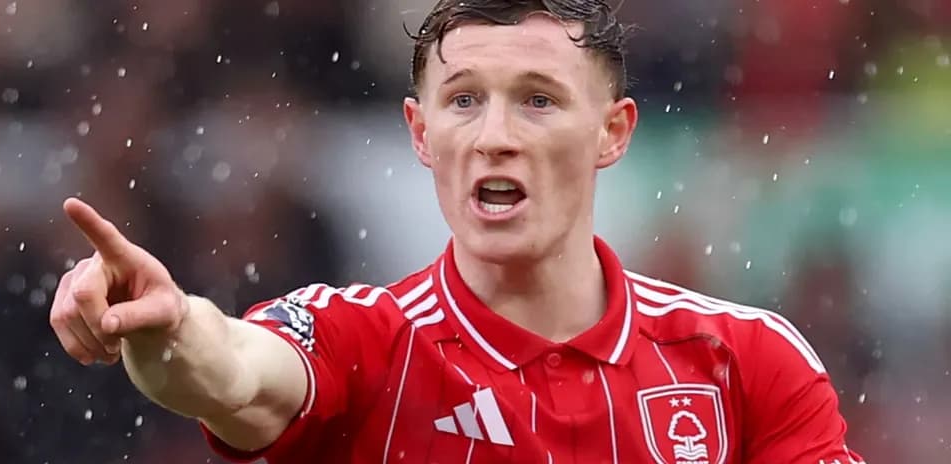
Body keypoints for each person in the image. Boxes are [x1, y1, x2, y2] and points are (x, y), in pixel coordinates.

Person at [49, 1, 866, 462]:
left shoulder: (748, 361)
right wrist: (167, 325)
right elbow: (229, 369)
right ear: (420, 132)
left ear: (613, 132)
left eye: (539, 100)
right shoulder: (360, 342)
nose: (494, 135)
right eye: (464, 99)